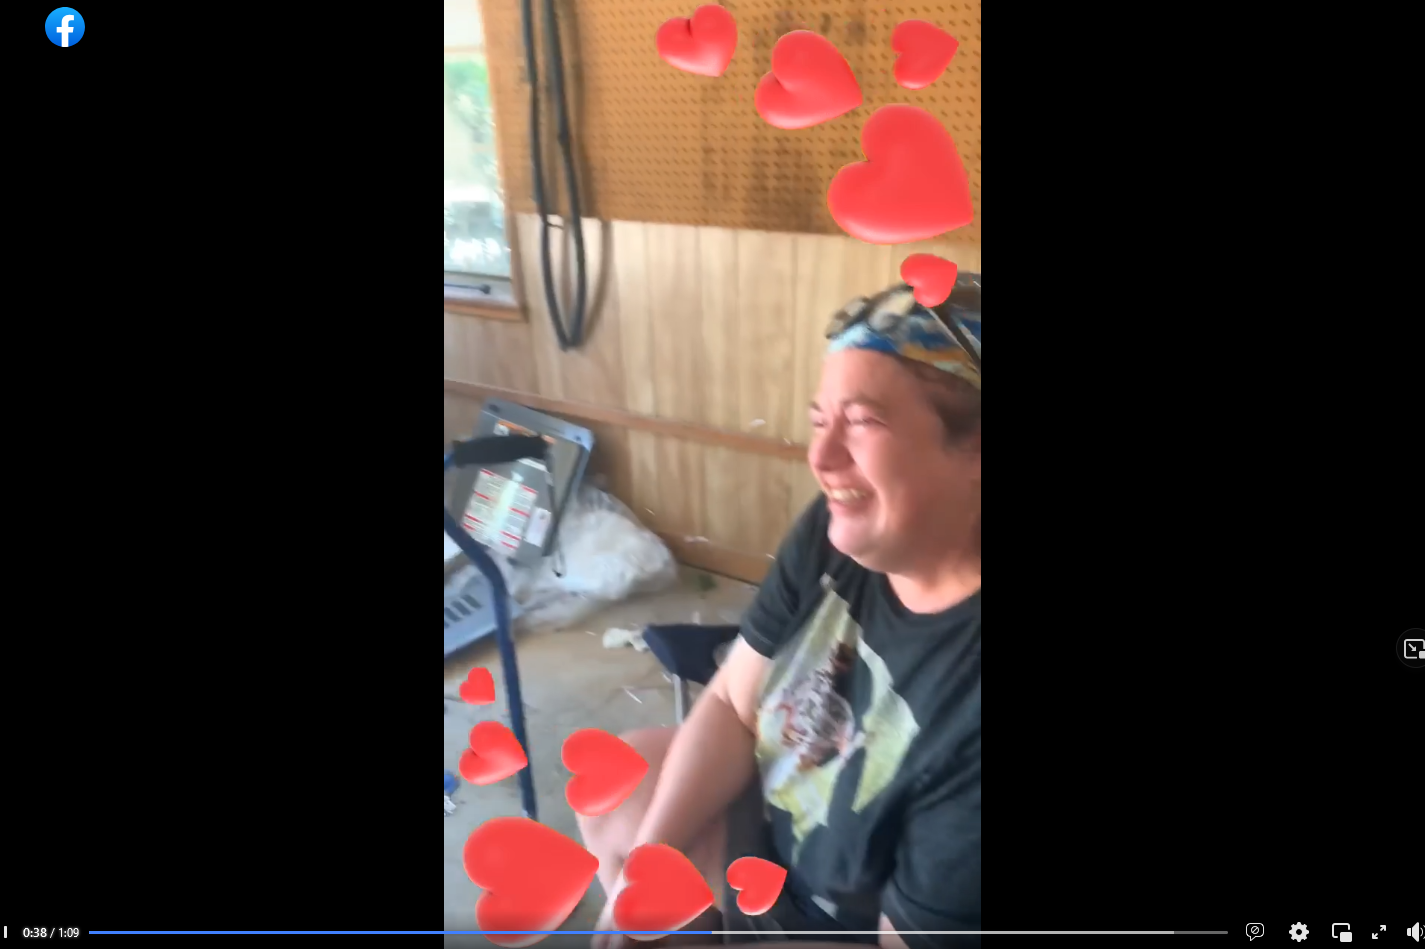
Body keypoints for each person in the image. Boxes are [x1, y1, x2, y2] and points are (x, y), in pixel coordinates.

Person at [579, 280, 982, 949]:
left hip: (841, 925)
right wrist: (639, 883)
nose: (821, 459)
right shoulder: (836, 531)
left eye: (863, 422)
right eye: (820, 421)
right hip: (772, 842)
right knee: (627, 779)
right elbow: (731, 704)